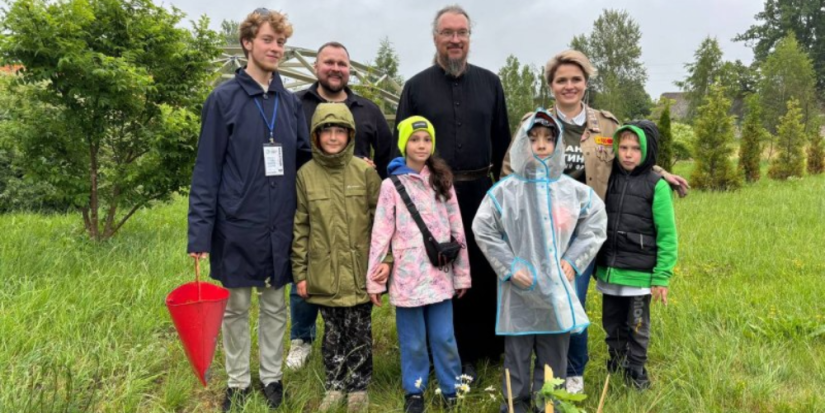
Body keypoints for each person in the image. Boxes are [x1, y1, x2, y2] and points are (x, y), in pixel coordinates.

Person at [501, 50, 688, 394]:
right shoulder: (534, 124)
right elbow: (511, 172)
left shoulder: (606, 125)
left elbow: (629, 159)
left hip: (585, 236)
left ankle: (572, 372)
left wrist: (662, 173)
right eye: (561, 80)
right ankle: (537, 370)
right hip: (542, 234)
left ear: (586, 83)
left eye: (576, 79)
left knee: (571, 300)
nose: (569, 86)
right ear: (551, 85)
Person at [186, 8, 311, 412]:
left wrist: (352, 163)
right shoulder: (223, 99)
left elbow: (308, 157)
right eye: (268, 40)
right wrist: (199, 234)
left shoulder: (290, 102)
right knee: (236, 307)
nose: (276, 48)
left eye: (281, 42)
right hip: (236, 223)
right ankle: (238, 382)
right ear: (247, 44)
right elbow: (206, 169)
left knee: (275, 304)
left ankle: (272, 378)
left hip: (281, 222)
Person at [394, 5, 510, 378]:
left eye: (462, 33)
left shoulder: (491, 84)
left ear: (469, 38)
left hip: (480, 190)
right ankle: (444, 350)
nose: (455, 39)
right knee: (439, 271)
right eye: (448, 33)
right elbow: (402, 143)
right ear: (435, 38)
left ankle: (483, 348)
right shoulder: (415, 87)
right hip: (433, 194)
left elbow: (503, 143)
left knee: (478, 269)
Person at [473, 109, 607, 413]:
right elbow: (483, 227)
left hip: (555, 289)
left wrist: (574, 259)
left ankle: (549, 404)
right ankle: (515, 404)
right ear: (523, 143)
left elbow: (597, 221)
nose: (542, 144)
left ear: (558, 145)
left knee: (553, 356)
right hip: (519, 290)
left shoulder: (570, 190)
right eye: (534, 138)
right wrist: (509, 266)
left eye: (549, 138)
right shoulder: (506, 191)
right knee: (517, 354)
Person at [288, 41, 394, 371]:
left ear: (349, 69)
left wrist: (375, 173)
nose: (336, 69)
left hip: (356, 204)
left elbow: (388, 153)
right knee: (306, 273)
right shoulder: (296, 104)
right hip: (308, 198)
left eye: (342, 64)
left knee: (350, 280)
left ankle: (355, 356)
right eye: (329, 62)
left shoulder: (368, 109)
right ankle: (301, 339)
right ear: (317, 66)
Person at [367, 116, 471, 413]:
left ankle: (451, 389)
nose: (421, 145)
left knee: (444, 336)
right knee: (412, 342)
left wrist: (462, 275)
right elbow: (381, 233)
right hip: (407, 278)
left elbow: (457, 230)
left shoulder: (442, 181)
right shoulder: (390, 185)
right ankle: (414, 390)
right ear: (404, 144)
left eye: (426, 139)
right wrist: (374, 280)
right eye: (415, 139)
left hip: (439, 276)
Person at [291, 103, 383, 412]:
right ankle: (334, 385)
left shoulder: (365, 172)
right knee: (332, 334)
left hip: (360, 271)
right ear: (315, 136)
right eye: (326, 131)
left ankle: (358, 387)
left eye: (339, 130)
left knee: (359, 331)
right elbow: (301, 225)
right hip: (323, 272)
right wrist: (300, 273)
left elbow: (382, 222)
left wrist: (386, 262)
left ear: (350, 134)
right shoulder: (305, 175)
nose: (333, 137)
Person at [595, 120, 678, 390]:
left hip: (639, 275)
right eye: (623, 147)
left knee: (638, 324)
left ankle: (637, 369)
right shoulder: (610, 179)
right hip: (610, 269)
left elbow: (667, 235)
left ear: (647, 152)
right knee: (612, 322)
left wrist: (661, 276)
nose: (628, 154)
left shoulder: (657, 186)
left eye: (636, 148)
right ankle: (616, 361)